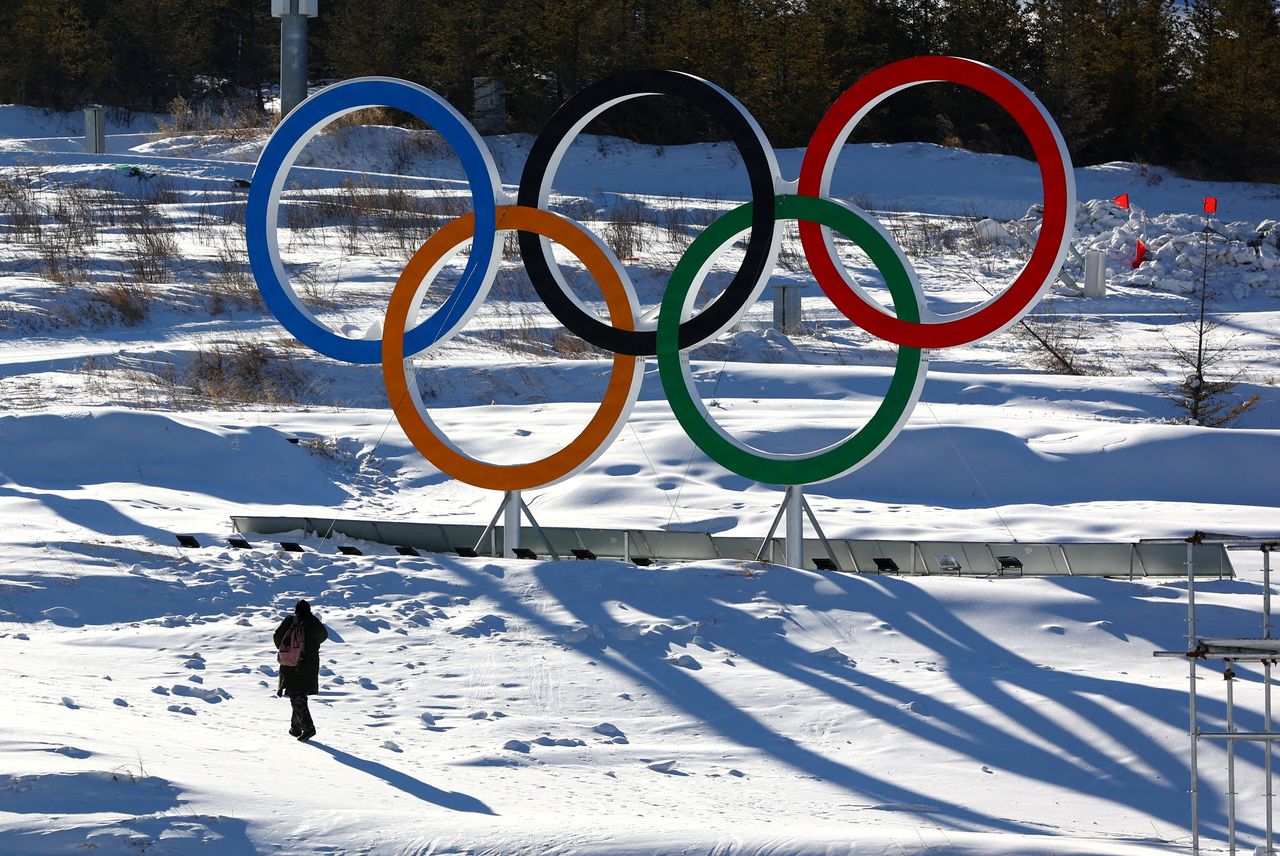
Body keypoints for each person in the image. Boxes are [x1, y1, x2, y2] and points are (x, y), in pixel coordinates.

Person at [273, 599, 329, 742]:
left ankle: (308, 727)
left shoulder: (291, 620)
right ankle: (295, 728)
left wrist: (289, 648)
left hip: (292, 664)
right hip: (310, 664)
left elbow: (277, 637)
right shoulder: (314, 622)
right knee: (299, 694)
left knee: (296, 695)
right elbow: (324, 636)